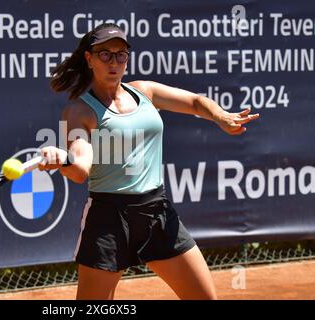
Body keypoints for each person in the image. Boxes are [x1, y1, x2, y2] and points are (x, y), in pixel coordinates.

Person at [38, 23, 259, 300]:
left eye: (121, 54)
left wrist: (220, 116)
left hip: (158, 212)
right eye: (105, 54)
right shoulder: (79, 110)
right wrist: (63, 159)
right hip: (109, 219)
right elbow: (81, 168)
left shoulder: (145, 92)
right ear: (89, 58)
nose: (114, 62)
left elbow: (194, 102)